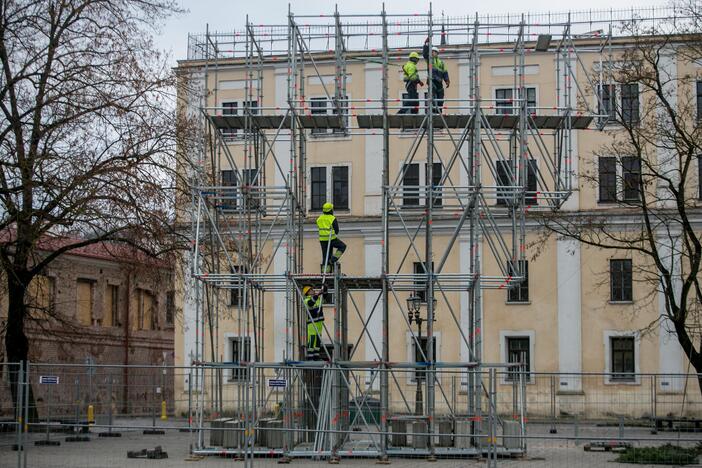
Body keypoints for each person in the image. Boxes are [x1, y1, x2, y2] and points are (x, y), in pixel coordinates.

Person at [316, 202, 346, 273]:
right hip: (331, 239)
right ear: (331, 210)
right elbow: (337, 230)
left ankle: (325, 272)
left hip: (322, 240)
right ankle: (334, 259)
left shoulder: (319, 219)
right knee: (342, 246)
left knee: (325, 257)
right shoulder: (332, 218)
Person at [422, 39, 450, 113]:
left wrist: (447, 80)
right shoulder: (429, 59)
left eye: (434, 52)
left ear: (437, 53)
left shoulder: (441, 62)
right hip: (432, 80)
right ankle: (433, 111)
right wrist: (426, 44)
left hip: (439, 81)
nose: (433, 53)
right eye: (432, 52)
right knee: (432, 97)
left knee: (440, 97)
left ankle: (439, 111)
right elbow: (425, 54)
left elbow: (444, 72)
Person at [303, 284, 327, 360]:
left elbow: (325, 297)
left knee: (318, 339)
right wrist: (318, 294)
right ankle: (310, 356)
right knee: (312, 339)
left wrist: (325, 288)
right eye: (311, 290)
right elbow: (311, 303)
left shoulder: (318, 298)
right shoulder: (306, 300)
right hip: (312, 322)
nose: (313, 290)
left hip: (319, 321)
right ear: (307, 292)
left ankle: (316, 356)